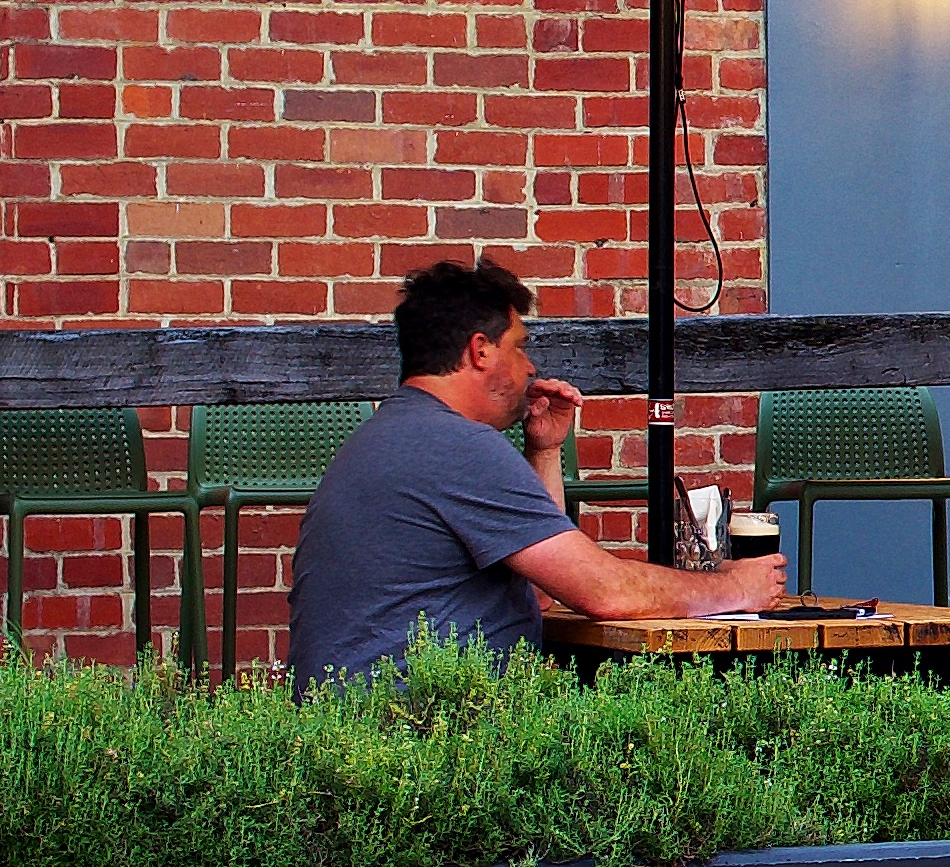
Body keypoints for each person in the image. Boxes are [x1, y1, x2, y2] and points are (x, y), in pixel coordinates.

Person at [286, 258, 777, 679]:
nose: (530, 368)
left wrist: (543, 452)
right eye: (519, 347)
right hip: (424, 744)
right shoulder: (458, 446)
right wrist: (734, 588)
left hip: (367, 736)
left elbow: (543, 595)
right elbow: (602, 591)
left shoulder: (392, 434)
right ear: (480, 351)